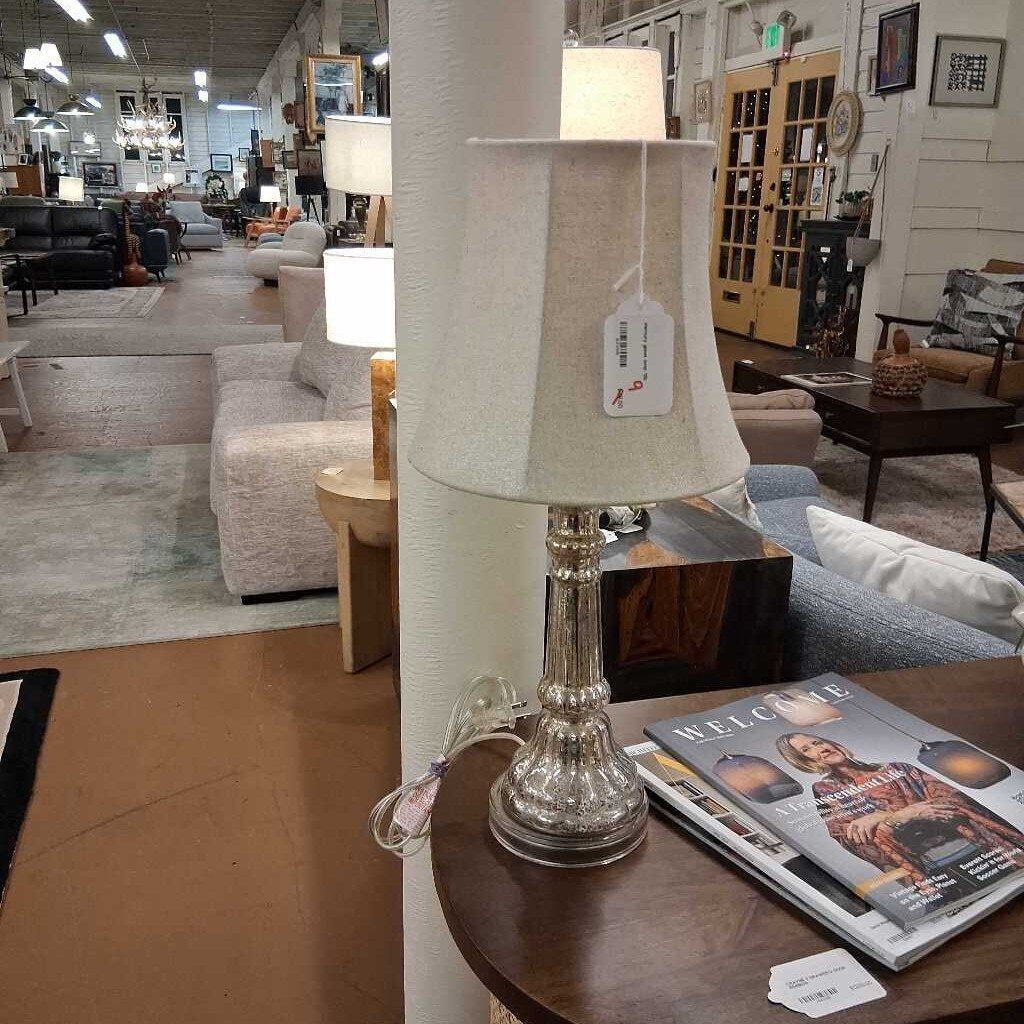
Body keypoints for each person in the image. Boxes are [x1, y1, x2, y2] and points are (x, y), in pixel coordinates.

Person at [776, 733, 1024, 888]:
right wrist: (901, 815)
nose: (820, 748)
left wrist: (884, 819)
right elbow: (850, 837)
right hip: (932, 873)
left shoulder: (899, 768)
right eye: (806, 750)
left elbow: (953, 801)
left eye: (816, 741)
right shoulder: (824, 790)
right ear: (805, 762)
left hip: (983, 851)